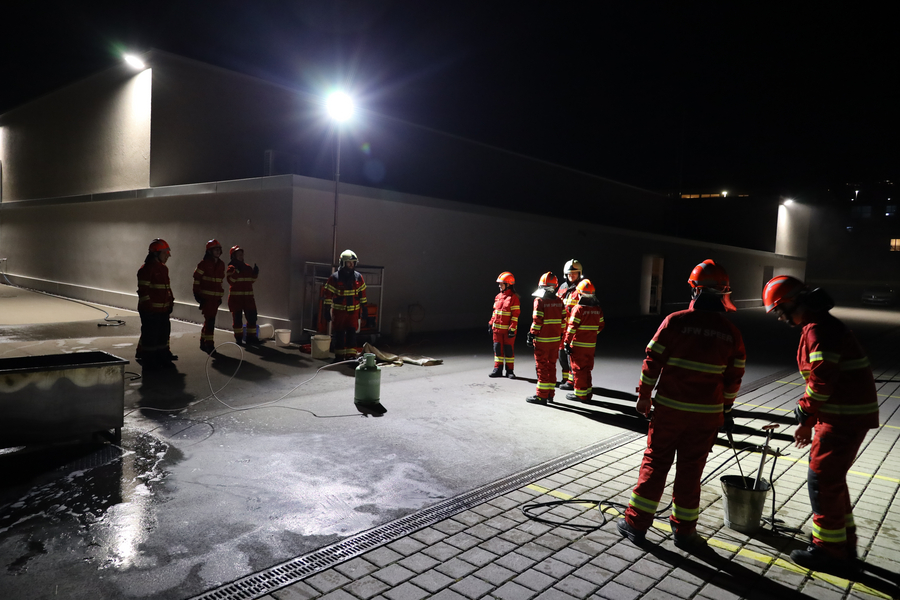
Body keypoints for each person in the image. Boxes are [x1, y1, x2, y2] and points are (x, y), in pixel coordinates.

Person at [618, 259, 745, 550]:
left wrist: (644, 395)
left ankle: (636, 524)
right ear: (724, 293)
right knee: (691, 472)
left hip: (670, 411)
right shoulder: (731, 333)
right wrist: (725, 410)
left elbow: (652, 361)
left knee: (656, 463)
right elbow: (734, 378)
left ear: (695, 289)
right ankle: (685, 532)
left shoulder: (675, 321)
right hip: (706, 418)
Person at [763, 275, 879, 574]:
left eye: (780, 310)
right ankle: (843, 544)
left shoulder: (818, 329)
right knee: (832, 481)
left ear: (793, 303)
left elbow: (822, 380)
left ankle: (828, 552)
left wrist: (804, 412)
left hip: (842, 417)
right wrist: (810, 419)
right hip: (843, 415)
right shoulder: (818, 325)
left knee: (822, 481)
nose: (780, 317)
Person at [323, 249, 369, 363]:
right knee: (338, 334)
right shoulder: (334, 278)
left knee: (352, 334)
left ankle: (351, 356)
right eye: (349, 262)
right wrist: (326, 309)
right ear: (343, 263)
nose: (352, 265)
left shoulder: (358, 277)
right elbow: (328, 295)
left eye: (353, 262)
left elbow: (362, 295)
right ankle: (339, 356)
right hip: (339, 313)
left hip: (353, 313)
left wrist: (364, 308)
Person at [136, 238, 176, 369]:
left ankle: (162, 358)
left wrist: (170, 302)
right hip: (151, 311)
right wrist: (149, 309)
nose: (168, 255)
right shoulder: (146, 269)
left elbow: (166, 288)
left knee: (162, 336)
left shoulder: (163, 269)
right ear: (156, 253)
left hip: (162, 311)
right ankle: (150, 363)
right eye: (165, 253)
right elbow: (143, 291)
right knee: (151, 338)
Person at [563, 279, 604, 401]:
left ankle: (580, 394)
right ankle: (588, 392)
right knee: (587, 369)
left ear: (580, 294)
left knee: (578, 369)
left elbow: (572, 328)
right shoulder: (597, 309)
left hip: (578, 346)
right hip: (591, 346)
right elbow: (601, 326)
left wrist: (566, 342)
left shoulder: (578, 309)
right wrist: (590, 335)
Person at [526, 272, 564, 404]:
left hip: (542, 341)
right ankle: (550, 395)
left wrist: (531, 334)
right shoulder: (559, 301)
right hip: (555, 341)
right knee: (552, 366)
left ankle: (541, 396)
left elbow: (537, 321)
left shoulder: (539, 301)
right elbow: (563, 321)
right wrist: (560, 334)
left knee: (542, 367)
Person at [193, 239, 225, 354]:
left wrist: (219, 296)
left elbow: (219, 282)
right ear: (209, 251)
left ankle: (203, 341)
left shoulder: (221, 264)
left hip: (215, 299)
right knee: (210, 321)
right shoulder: (203, 264)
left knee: (209, 320)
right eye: (215, 250)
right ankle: (209, 345)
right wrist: (197, 295)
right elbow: (197, 280)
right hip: (206, 298)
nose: (217, 252)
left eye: (218, 250)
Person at [557, 259, 584, 390]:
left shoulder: (582, 288)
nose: (571, 275)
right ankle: (565, 378)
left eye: (574, 273)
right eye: (569, 273)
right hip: (562, 328)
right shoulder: (563, 287)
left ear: (579, 274)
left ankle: (572, 381)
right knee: (562, 355)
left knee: (572, 356)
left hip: (574, 329)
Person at [226, 245, 260, 345]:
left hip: (248, 298)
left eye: (241, 254)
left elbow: (251, 281)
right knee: (237, 320)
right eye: (238, 254)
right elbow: (231, 281)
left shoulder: (247, 267)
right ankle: (239, 338)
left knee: (252, 318)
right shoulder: (231, 269)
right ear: (233, 256)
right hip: (236, 299)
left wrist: (255, 274)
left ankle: (251, 338)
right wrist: (236, 271)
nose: (241, 256)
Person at [489, 272, 520, 378]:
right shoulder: (498, 297)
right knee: (497, 350)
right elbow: (495, 312)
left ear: (508, 284)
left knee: (508, 350)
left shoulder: (514, 298)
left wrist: (512, 329)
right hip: (497, 331)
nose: (499, 286)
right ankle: (497, 369)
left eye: (501, 284)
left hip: (508, 331)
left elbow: (515, 316)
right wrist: (490, 323)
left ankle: (509, 371)